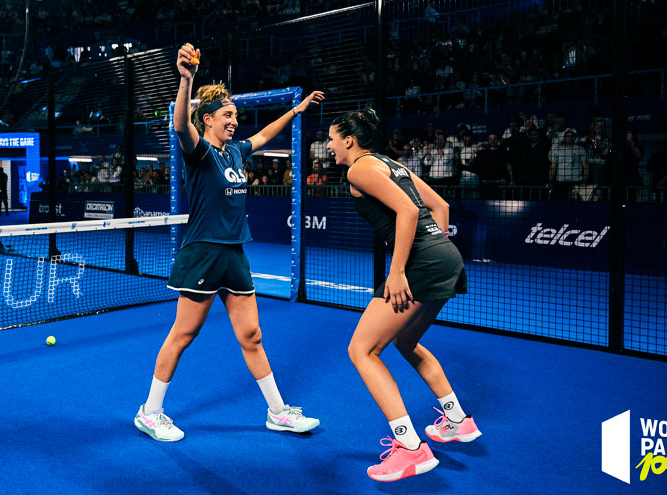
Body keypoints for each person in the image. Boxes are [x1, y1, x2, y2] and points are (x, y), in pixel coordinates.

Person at [134, 43, 325, 442]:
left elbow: (264, 133)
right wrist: (186, 79)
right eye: (227, 115)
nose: (234, 121)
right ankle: (150, 413)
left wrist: (295, 111)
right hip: (202, 253)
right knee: (183, 335)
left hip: (234, 252)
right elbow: (179, 127)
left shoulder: (236, 152)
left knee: (252, 335)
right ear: (208, 119)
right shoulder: (199, 152)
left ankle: (277, 412)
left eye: (235, 115)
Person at [326, 109, 481, 482]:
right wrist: (435, 249)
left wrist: (397, 272)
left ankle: (410, 449)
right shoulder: (389, 163)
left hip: (420, 263)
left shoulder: (359, 168)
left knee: (361, 350)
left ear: (349, 140)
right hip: (445, 256)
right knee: (406, 340)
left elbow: (410, 211)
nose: (329, 145)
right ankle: (457, 420)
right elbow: (439, 207)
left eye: (332, 138)